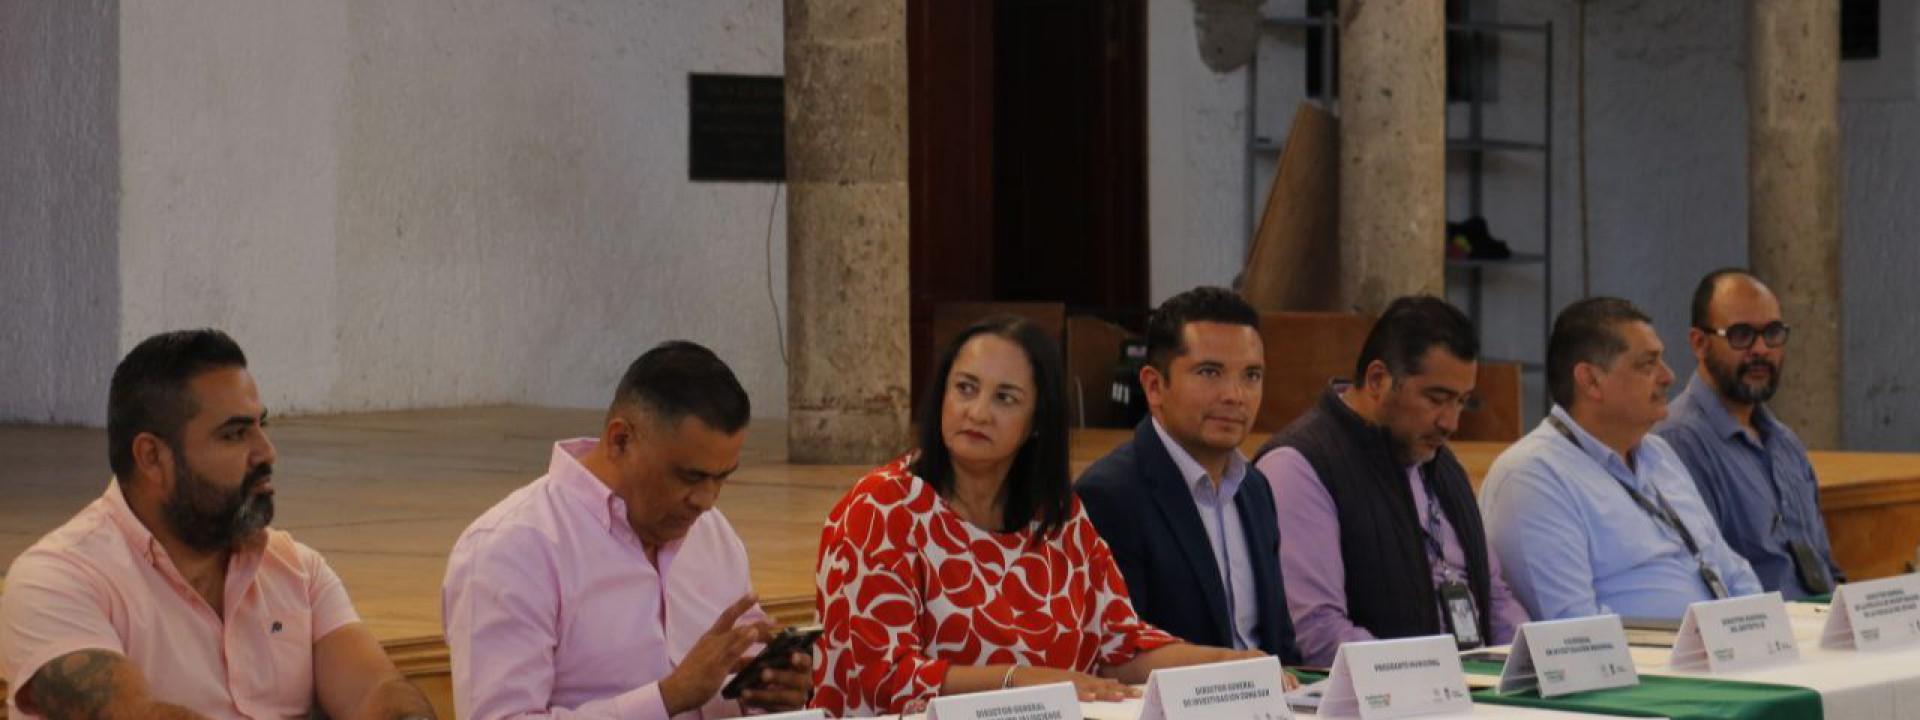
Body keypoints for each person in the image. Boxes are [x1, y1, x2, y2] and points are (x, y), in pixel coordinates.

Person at [812, 316, 1284, 718]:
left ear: (1037, 420)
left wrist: (1225, 664)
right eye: (965, 388)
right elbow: (882, 679)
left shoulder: (1057, 517)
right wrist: (1021, 682)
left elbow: (1118, 647)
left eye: (1005, 398)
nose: (977, 412)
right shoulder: (880, 509)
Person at [0, 329, 435, 720]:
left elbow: (376, 690)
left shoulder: (297, 571)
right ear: (152, 457)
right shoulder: (56, 581)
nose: (266, 451)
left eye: (261, 426)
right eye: (234, 434)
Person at [442, 341, 810, 720]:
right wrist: (666, 698)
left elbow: (741, 672)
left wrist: (769, 694)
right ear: (621, 440)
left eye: (722, 478)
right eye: (690, 477)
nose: (706, 499)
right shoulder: (512, 550)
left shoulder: (713, 534)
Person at [1254, 296, 1528, 666]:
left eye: (1461, 401)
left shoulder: (1441, 463)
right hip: (1388, 689)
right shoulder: (1299, 467)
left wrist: (1531, 661)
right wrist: (1432, 674)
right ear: (1378, 379)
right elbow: (1316, 632)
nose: (1451, 423)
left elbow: (1493, 595)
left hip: (1467, 683)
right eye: (1436, 398)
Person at [1481, 298, 1762, 621]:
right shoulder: (1532, 476)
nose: (1668, 376)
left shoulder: (1659, 453)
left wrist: (1763, 630)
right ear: (1591, 381)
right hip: (1653, 653)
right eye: (1647, 365)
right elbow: (1575, 629)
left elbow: (1733, 572)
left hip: (1722, 643)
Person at [1077, 287, 1303, 663]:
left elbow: (1280, 642)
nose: (1235, 395)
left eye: (1251, 375)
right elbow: (1118, 656)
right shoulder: (1109, 496)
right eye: (1210, 372)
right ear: (1154, 386)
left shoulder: (1254, 486)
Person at [1653, 269, 1843, 599]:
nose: (1761, 349)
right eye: (1741, 335)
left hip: (1820, 619)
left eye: (1772, 333)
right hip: (1759, 627)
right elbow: (1705, 585)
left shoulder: (1785, 442)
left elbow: (1826, 566)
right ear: (1699, 343)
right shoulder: (1678, 442)